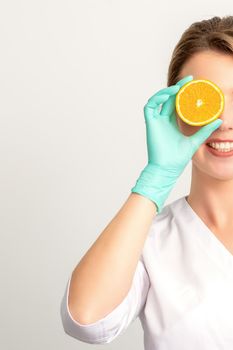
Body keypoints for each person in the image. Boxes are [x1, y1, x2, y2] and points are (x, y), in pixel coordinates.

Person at [60, 15, 233, 349]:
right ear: (176, 109)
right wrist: (155, 179)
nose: (224, 121)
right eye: (207, 99)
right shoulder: (149, 242)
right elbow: (85, 319)